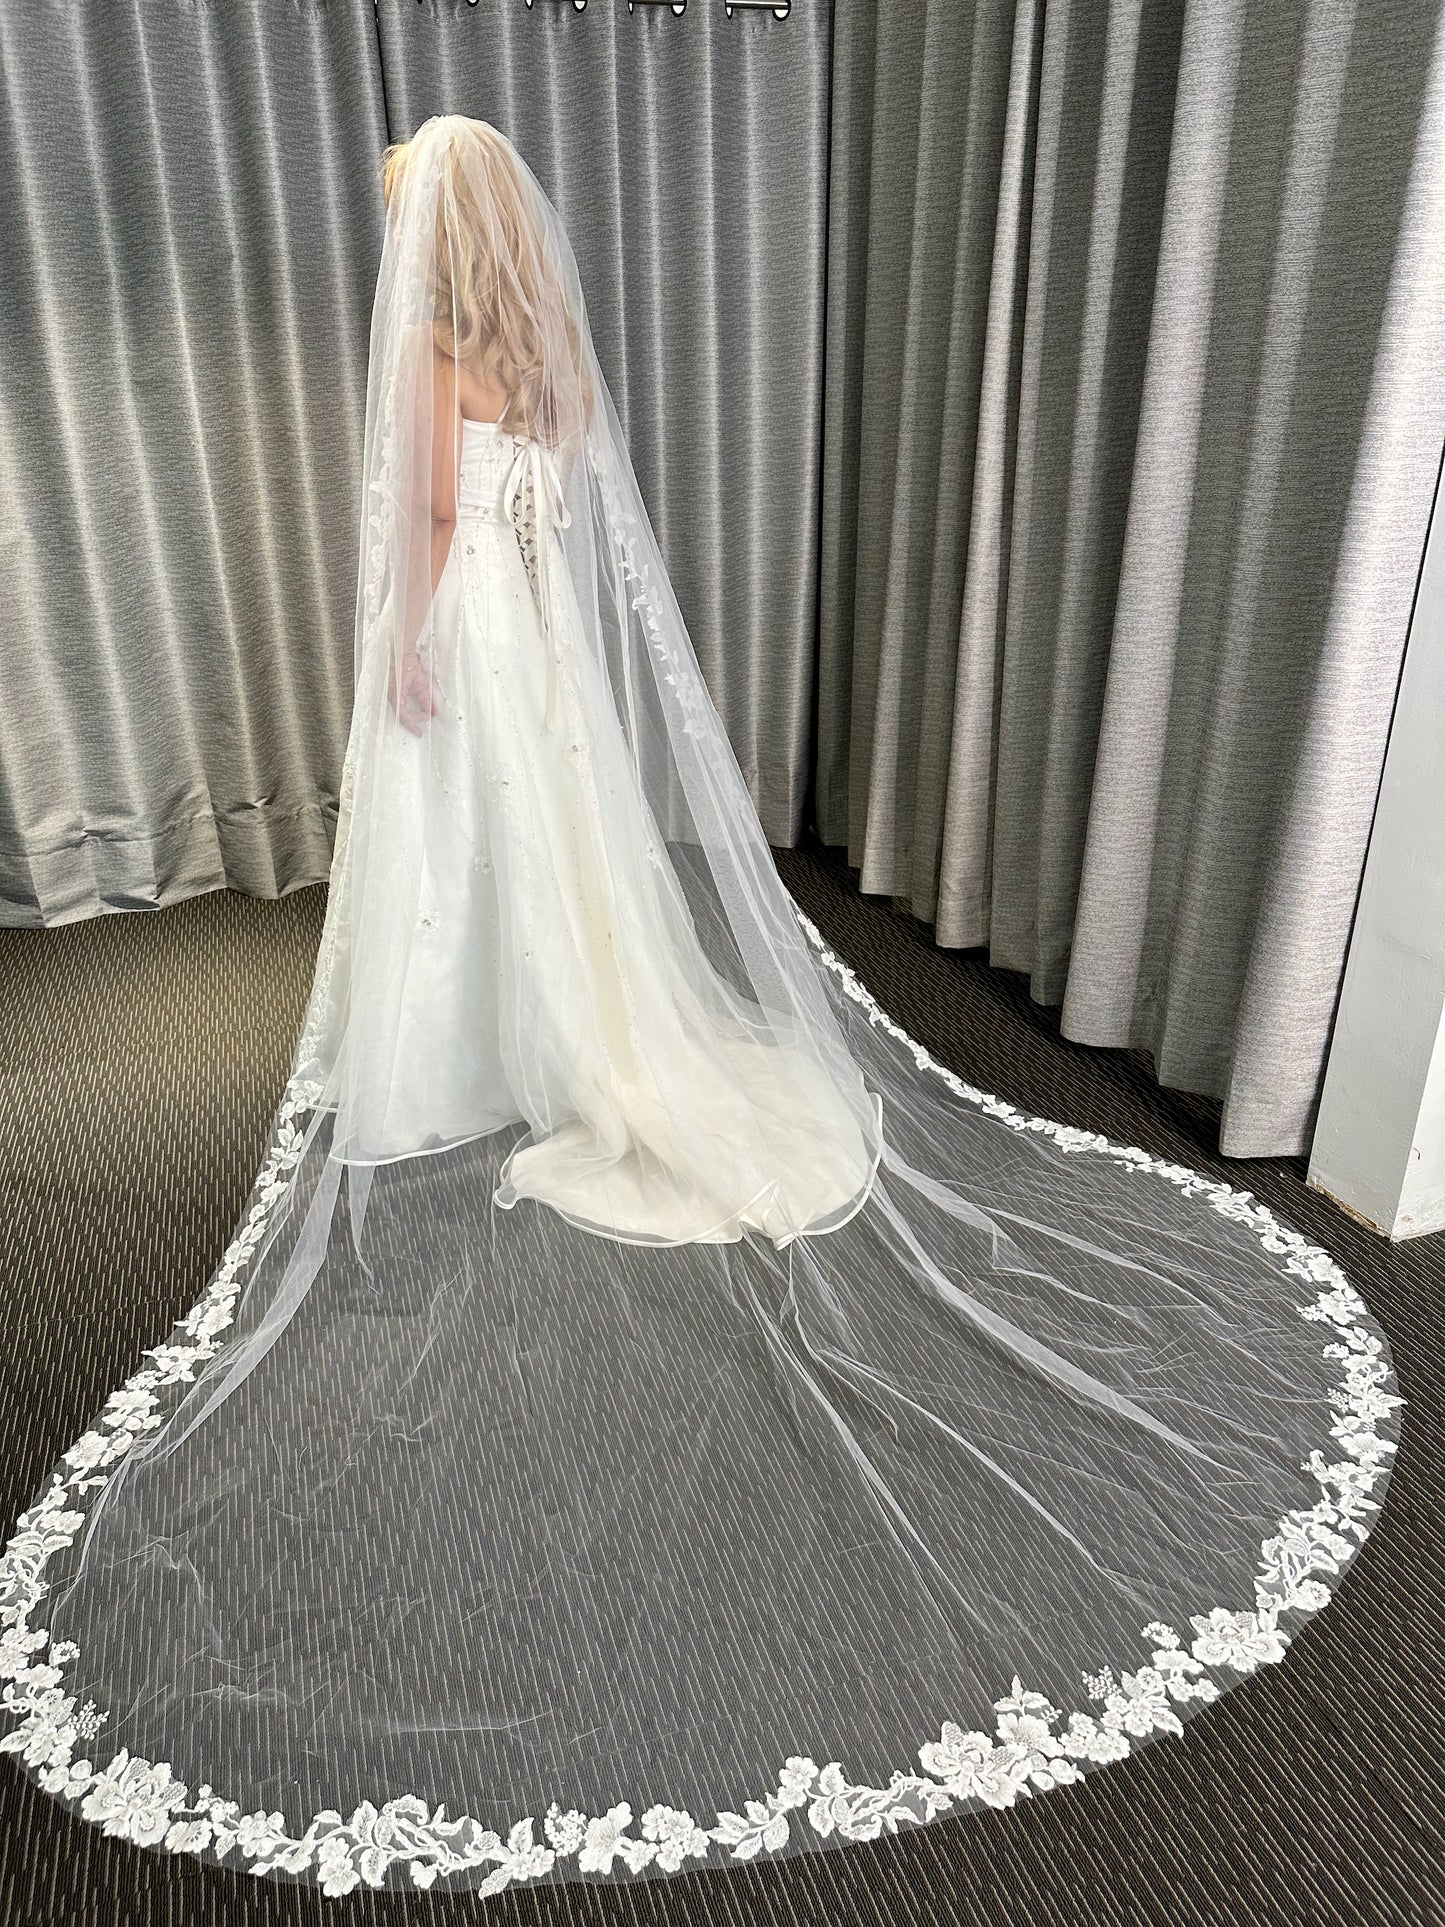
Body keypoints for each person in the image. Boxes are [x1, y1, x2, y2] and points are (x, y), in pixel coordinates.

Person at [0, 117, 1399, 1901]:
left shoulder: (430, 349)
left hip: (476, 644)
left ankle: (467, 1063)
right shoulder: (544, 349)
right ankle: (551, 1032)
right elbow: (549, 506)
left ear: (434, 236)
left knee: (471, 864)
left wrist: (409, 660)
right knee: (565, 865)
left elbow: (430, 528)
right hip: (554, 656)